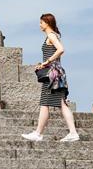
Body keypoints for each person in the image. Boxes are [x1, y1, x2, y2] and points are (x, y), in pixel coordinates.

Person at [22, 13, 80, 142]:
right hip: (56, 73)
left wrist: (46, 62)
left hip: (52, 74)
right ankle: (72, 132)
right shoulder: (54, 35)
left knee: (46, 103)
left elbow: (61, 49)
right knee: (59, 104)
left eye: (41, 22)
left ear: (47, 23)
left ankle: (38, 133)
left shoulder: (51, 35)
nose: (40, 25)